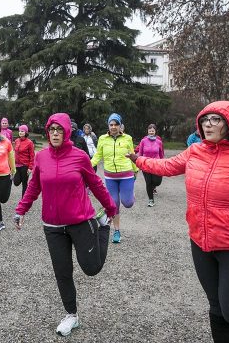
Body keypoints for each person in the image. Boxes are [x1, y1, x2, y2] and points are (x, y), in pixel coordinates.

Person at [127, 101, 229, 343]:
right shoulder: (195, 151)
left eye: (215, 119)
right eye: (204, 119)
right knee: (217, 307)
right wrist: (139, 160)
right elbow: (166, 166)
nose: (208, 124)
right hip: (201, 242)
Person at [14, 113, 116, 337]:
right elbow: (34, 187)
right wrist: (21, 209)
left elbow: (96, 184)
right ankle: (71, 315)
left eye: (59, 130)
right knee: (62, 271)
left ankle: (103, 226)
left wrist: (110, 208)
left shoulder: (79, 157)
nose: (55, 134)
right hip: (52, 226)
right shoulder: (41, 158)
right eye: (52, 130)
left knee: (91, 268)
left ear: (67, 132)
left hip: (81, 221)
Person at [90, 113, 137, 243]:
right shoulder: (102, 139)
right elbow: (98, 156)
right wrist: (86, 166)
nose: (113, 127)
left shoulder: (127, 138)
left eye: (116, 124)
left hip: (126, 175)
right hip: (110, 177)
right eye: (111, 124)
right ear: (108, 126)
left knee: (128, 203)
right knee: (113, 205)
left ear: (120, 125)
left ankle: (130, 195)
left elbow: (132, 155)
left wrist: (136, 170)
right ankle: (116, 231)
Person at [134, 124, 164, 207]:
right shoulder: (143, 141)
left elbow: (161, 154)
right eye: (150, 131)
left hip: (156, 164)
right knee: (148, 182)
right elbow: (140, 153)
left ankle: (154, 186)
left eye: (152, 131)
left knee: (157, 182)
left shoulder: (159, 142)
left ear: (155, 132)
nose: (151, 132)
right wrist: (139, 162)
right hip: (145, 164)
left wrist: (162, 163)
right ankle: (151, 200)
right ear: (147, 131)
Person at [13, 124, 35, 198]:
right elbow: (14, 152)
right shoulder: (16, 141)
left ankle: (24, 200)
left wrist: (30, 168)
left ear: (26, 132)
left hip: (25, 166)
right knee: (16, 182)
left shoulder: (29, 143)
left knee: (24, 184)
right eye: (19, 131)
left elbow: (32, 156)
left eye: (22, 131)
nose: (20, 132)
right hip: (17, 165)